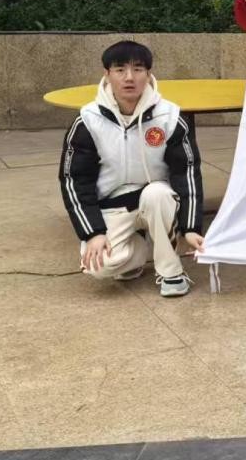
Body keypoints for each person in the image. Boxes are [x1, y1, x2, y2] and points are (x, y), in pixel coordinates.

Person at [59, 41, 204, 298]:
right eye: (120, 70)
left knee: (158, 194)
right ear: (107, 74)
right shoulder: (88, 120)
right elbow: (74, 180)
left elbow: (187, 172)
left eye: (138, 69)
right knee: (98, 266)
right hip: (113, 205)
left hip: (156, 198)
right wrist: (92, 233)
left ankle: (171, 272)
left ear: (149, 74)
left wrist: (191, 227)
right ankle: (136, 253)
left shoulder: (169, 116)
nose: (129, 77)